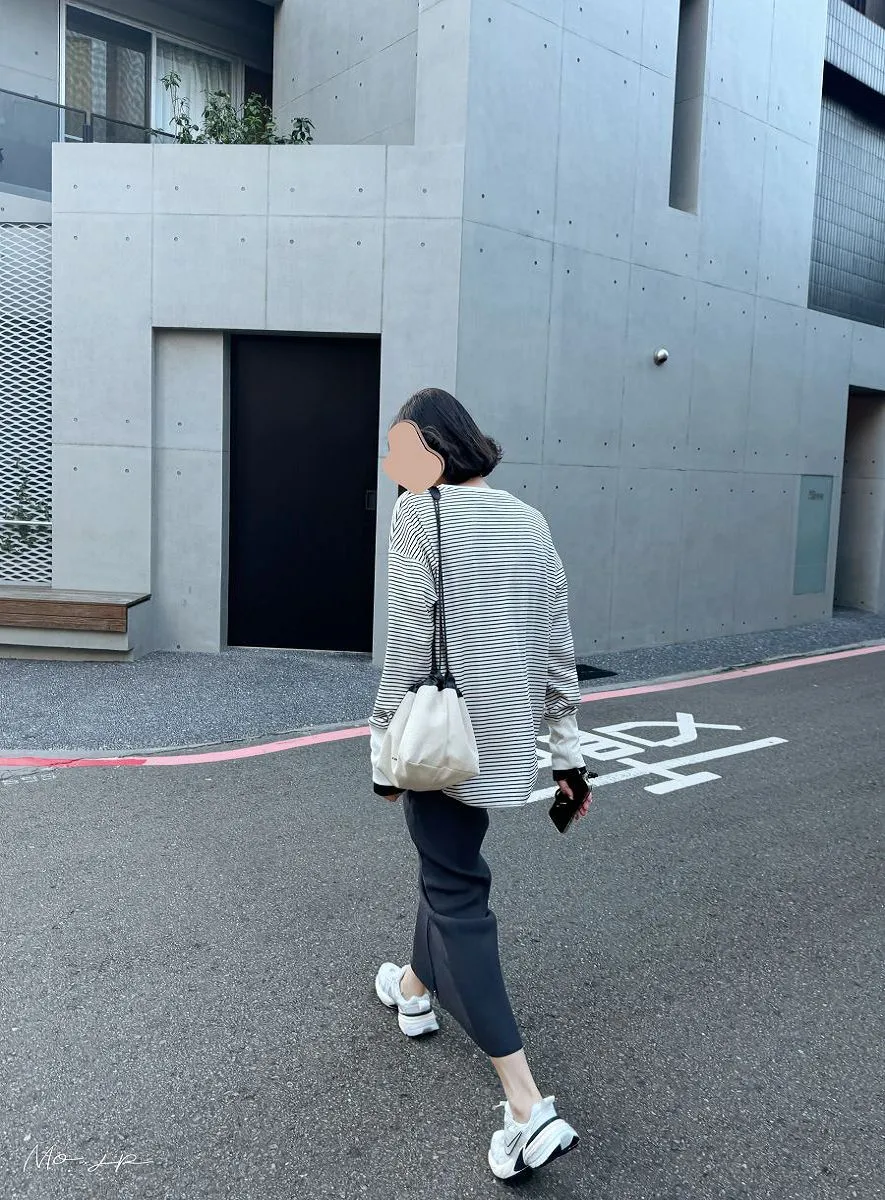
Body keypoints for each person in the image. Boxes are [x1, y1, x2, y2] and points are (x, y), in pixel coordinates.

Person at [368, 387, 592, 1183]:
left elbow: (406, 640)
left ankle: (526, 1106)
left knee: (457, 893)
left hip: (439, 743)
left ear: (432, 449)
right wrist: (566, 757)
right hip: (501, 748)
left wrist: (381, 751)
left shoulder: (417, 513)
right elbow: (557, 644)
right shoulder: (529, 521)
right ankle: (412, 988)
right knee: (449, 867)